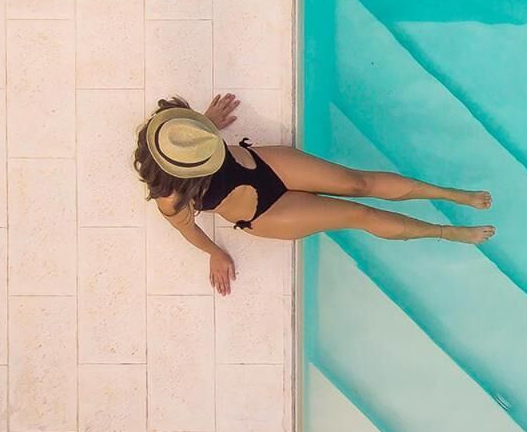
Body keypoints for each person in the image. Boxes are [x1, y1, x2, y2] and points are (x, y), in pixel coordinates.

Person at [133, 94, 495, 295]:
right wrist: (215, 253)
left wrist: (207, 122)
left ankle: (450, 194)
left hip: (264, 164)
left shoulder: (171, 131)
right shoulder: (172, 200)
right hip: (264, 212)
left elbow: (190, 136)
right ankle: (447, 233)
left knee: (358, 183)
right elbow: (187, 229)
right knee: (359, 214)